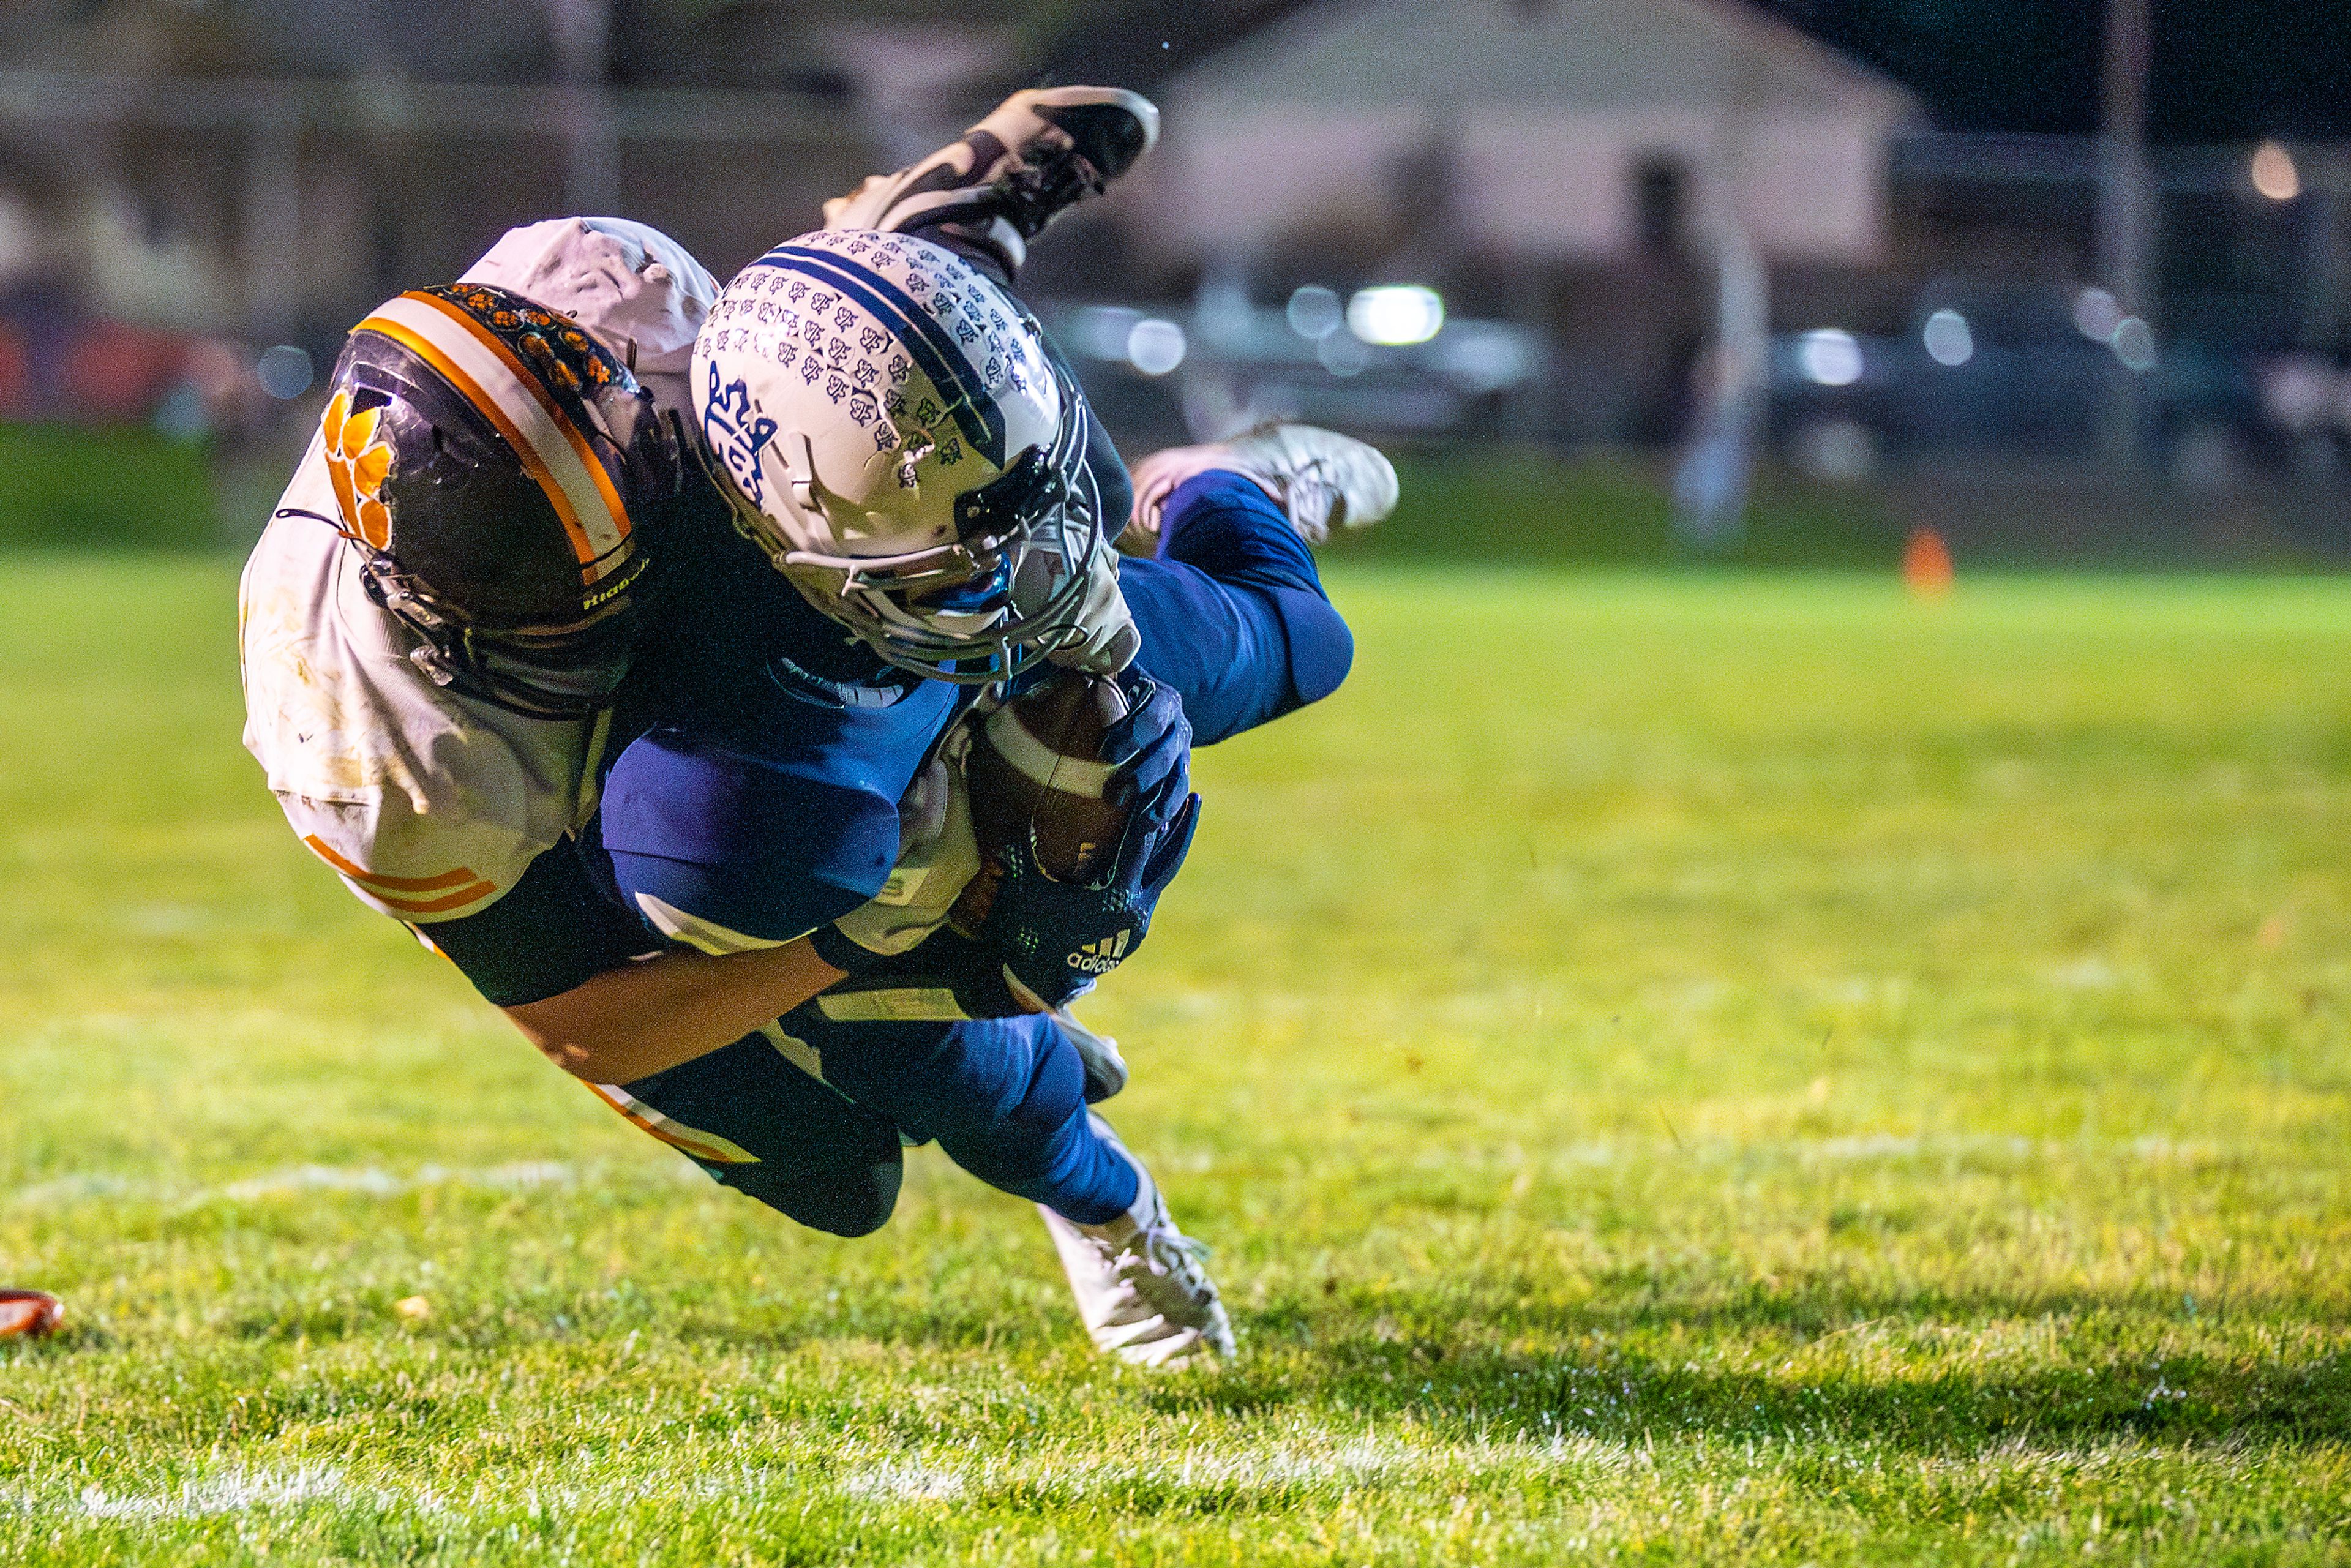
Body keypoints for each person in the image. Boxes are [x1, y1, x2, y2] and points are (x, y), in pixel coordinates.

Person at [240, 88, 1395, 1367]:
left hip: (794, 585)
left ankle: (1148, 425)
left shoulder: (600, 296)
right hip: (638, 813)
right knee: (836, 1154)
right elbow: (589, 1022)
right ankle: (1070, 1155)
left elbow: (872, 434)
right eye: (585, 593)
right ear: (467, 627)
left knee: (1290, 641)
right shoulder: (384, 753)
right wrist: (899, 940)